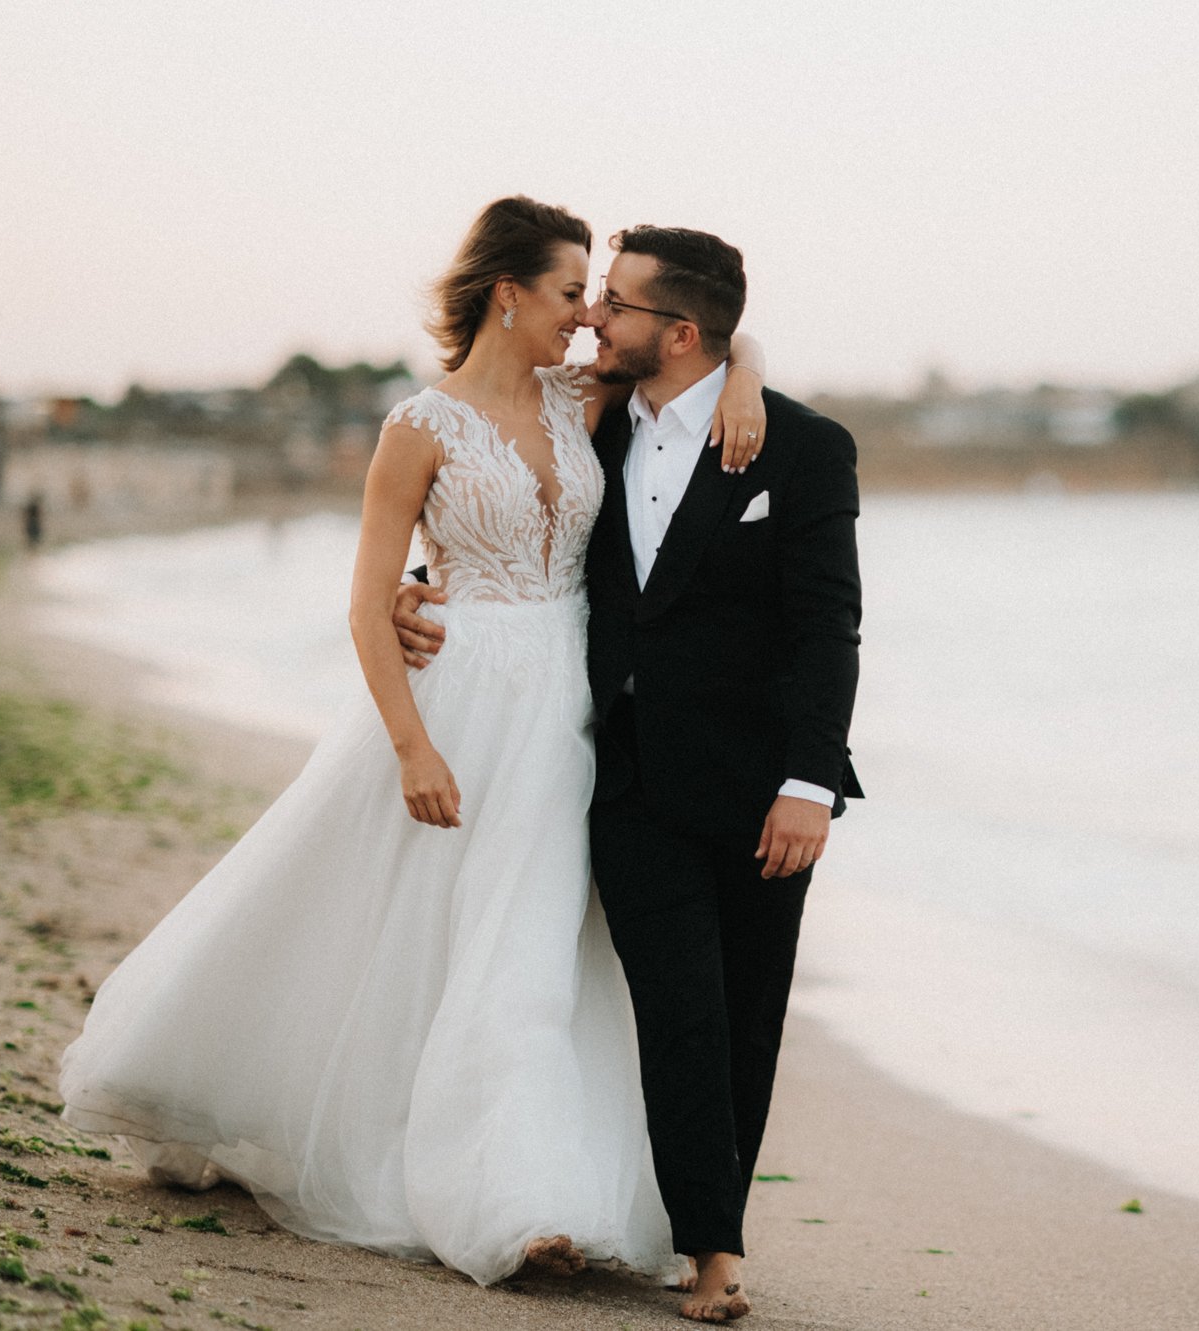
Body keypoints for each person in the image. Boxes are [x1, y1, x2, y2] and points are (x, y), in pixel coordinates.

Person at [57, 196, 771, 1294]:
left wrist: (755, 374)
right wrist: (409, 748)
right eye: (570, 289)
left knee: (527, 943)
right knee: (421, 931)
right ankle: (502, 1194)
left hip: (566, 710)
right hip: (459, 700)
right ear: (507, 294)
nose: (588, 315)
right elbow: (362, 603)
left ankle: (524, 1186)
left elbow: (710, 337)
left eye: (595, 292)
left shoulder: (583, 398)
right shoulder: (415, 429)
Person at [394, 224, 863, 1323]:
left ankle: (711, 1237)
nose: (596, 315)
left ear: (684, 331)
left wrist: (808, 782)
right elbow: (515, 506)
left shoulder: (802, 447)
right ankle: (707, 1251)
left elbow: (827, 626)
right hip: (627, 774)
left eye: (617, 301)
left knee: (746, 1015)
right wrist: (427, 583)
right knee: (677, 1009)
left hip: (762, 792)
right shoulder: (588, 420)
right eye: (592, 295)